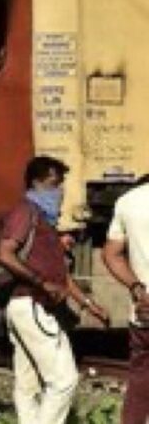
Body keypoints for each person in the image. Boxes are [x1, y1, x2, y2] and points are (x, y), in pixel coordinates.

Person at [0, 156, 108, 424]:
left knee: (28, 385)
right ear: (35, 183)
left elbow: (62, 278)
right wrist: (39, 282)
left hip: (27, 306)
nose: (58, 192)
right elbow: (4, 254)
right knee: (64, 381)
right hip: (32, 305)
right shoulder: (26, 213)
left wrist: (88, 304)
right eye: (53, 184)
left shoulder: (44, 222)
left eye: (60, 185)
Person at [102, 175, 149, 424]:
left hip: (144, 311)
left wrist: (138, 289)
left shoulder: (128, 201)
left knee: (140, 382)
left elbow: (111, 254)